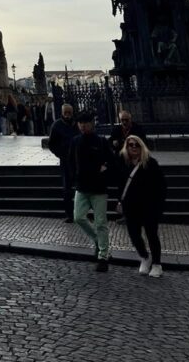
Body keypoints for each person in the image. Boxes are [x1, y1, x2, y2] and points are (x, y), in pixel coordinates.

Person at [70, 110, 116, 272]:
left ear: (92, 124)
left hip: (98, 188)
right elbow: (70, 162)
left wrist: (105, 169)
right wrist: (74, 179)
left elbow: (112, 161)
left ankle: (103, 255)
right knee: (78, 217)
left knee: (101, 222)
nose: (83, 126)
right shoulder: (75, 141)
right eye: (80, 123)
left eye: (86, 123)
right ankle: (97, 240)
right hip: (82, 187)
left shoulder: (101, 141)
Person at [118, 135, 167, 277]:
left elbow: (161, 186)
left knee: (152, 235)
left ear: (142, 147)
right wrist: (120, 200)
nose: (133, 147)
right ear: (126, 147)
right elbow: (120, 184)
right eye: (130, 145)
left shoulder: (150, 163)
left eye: (136, 145)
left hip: (149, 206)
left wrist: (158, 205)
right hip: (131, 206)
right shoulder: (124, 163)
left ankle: (157, 264)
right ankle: (144, 257)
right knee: (134, 235)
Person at [48, 103, 78, 222]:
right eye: (65, 113)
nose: (67, 115)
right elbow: (52, 144)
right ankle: (69, 214)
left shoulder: (76, 124)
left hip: (78, 159)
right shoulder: (57, 125)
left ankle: (80, 212)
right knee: (67, 188)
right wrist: (60, 153)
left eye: (69, 113)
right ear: (62, 113)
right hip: (66, 160)